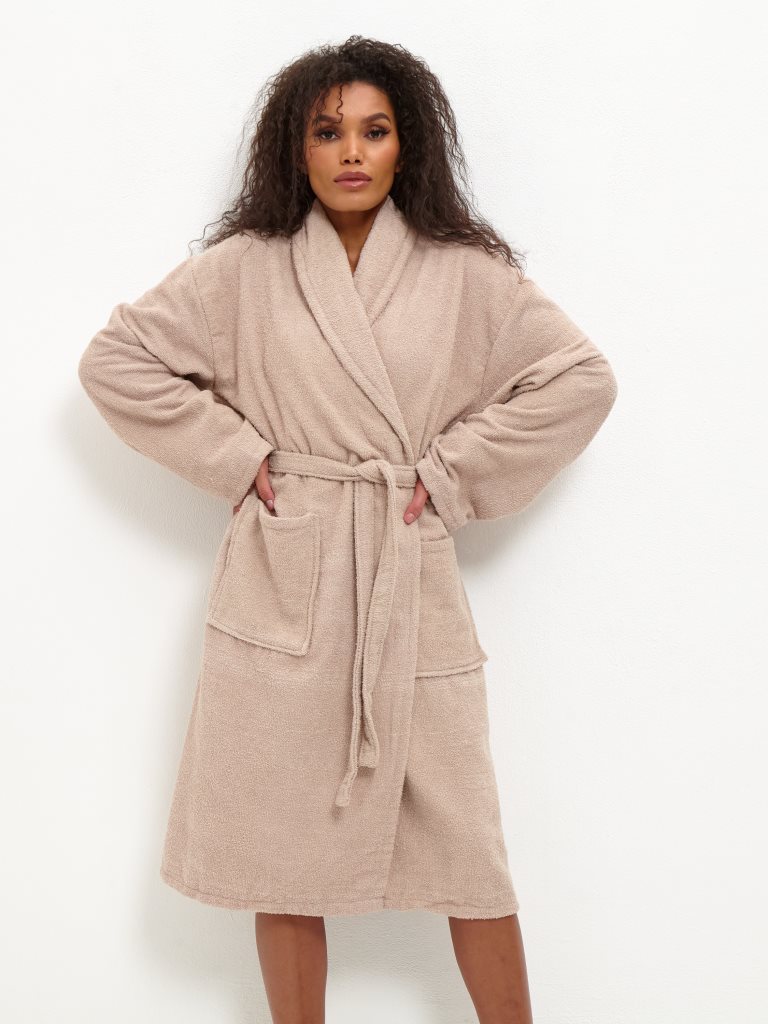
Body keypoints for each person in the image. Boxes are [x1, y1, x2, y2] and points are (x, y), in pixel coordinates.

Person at [78, 34, 617, 1024]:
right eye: (328, 132)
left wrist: (452, 474)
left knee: (469, 856)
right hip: (286, 581)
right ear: (297, 148)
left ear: (409, 146)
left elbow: (581, 380)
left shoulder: (465, 275)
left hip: (406, 577)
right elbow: (116, 362)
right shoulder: (243, 271)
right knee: (281, 854)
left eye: (375, 130)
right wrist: (236, 454)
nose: (353, 152)